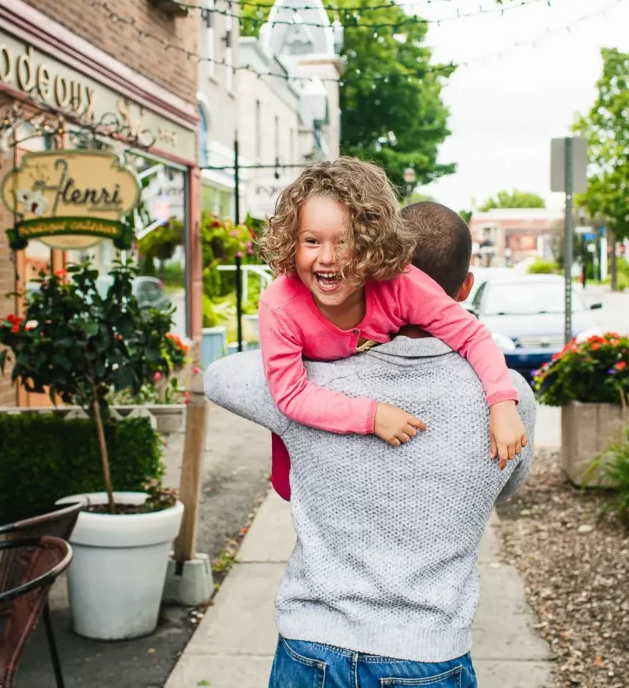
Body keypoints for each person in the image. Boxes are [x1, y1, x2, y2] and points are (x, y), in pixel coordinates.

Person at [205, 201, 537, 688]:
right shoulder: (510, 399)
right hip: (429, 653)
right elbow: (504, 488)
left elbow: (218, 377)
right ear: (465, 288)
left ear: (370, 264)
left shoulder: (310, 384)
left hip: (311, 648)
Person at [256, 159, 527, 501]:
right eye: (311, 241)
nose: (327, 257)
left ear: (372, 242)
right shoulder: (280, 306)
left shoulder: (400, 285)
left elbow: (471, 335)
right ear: (291, 243)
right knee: (288, 488)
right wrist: (371, 416)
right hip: (312, 421)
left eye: (344, 242)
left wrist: (502, 404)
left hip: (386, 412)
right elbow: (291, 394)